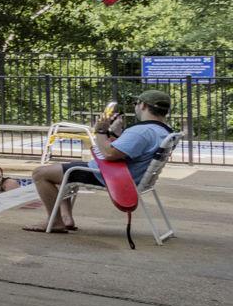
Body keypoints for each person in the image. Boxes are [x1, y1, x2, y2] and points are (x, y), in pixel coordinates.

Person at [27, 90, 175, 234]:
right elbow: (129, 151)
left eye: (136, 103)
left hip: (112, 177)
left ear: (143, 105)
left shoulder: (142, 131)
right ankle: (66, 218)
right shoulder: (164, 131)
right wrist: (115, 134)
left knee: (40, 173)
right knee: (63, 169)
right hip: (128, 174)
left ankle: (55, 222)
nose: (136, 106)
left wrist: (101, 131)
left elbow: (109, 154)